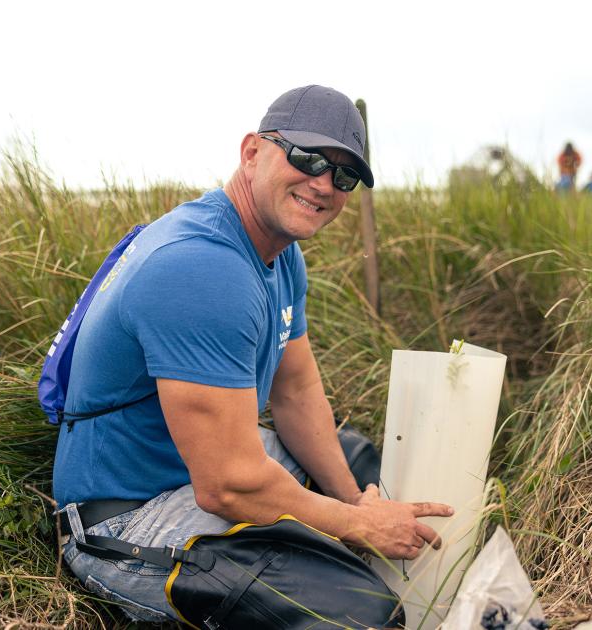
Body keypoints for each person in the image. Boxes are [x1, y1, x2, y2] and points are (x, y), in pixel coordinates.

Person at [51, 85, 453, 624]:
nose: (323, 184)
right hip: (127, 517)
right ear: (251, 152)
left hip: (195, 472)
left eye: (344, 175)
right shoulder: (202, 267)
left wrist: (356, 504)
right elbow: (230, 483)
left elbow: (296, 391)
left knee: (356, 462)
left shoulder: (280, 254)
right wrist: (358, 526)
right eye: (308, 158)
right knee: (361, 615)